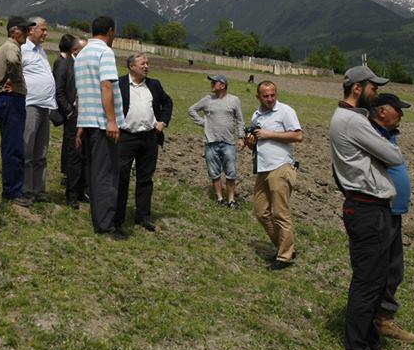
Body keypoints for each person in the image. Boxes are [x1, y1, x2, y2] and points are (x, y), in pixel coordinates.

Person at [330, 65, 406, 350]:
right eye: (374, 88)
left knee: (375, 283)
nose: (376, 95)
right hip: (366, 211)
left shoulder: (350, 119)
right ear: (358, 88)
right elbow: (394, 156)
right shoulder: (352, 121)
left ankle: (370, 346)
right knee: (367, 285)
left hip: (369, 210)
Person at [368, 93, 414, 343]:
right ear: (382, 111)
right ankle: (377, 320)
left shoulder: (388, 135)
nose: (402, 114)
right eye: (398, 109)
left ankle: (384, 317)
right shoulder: (371, 136)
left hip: (393, 211)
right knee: (382, 269)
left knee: (394, 268)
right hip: (381, 210)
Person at [74, 16, 126, 240]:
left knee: (94, 172)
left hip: (87, 120)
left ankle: (99, 218)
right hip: (102, 123)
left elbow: (81, 91)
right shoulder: (105, 52)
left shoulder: (82, 53)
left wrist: (80, 123)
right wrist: (112, 120)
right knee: (107, 174)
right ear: (111, 31)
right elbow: (106, 86)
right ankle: (106, 225)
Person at [244, 81, 303, 270]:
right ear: (258, 97)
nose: (270, 99)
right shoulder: (256, 115)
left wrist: (269, 134)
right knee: (261, 211)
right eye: (265, 96)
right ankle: (284, 247)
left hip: (281, 167)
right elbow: (256, 144)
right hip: (263, 168)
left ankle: (285, 257)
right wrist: (251, 141)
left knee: (280, 213)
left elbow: (297, 136)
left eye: (272, 95)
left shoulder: (285, 111)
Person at [117, 53, 173, 232]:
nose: (147, 66)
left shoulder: (154, 85)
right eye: (143, 63)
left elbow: (168, 103)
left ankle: (143, 215)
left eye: (148, 63)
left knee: (145, 178)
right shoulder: (120, 84)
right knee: (121, 177)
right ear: (132, 66)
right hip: (126, 137)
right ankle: (118, 216)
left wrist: (162, 121)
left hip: (149, 137)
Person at [0, 16, 35, 207]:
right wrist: (15, 81)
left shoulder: (3, 47)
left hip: (6, 100)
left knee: (12, 145)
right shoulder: (11, 48)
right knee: (13, 147)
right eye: (23, 30)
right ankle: (12, 191)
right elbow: (13, 61)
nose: (26, 34)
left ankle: (14, 188)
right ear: (13, 31)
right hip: (11, 100)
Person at [187, 74, 246, 207]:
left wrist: (241, 138)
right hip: (211, 142)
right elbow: (192, 110)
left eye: (214, 83)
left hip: (229, 143)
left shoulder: (234, 100)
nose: (211, 85)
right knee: (214, 173)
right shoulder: (207, 100)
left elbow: (240, 120)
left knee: (231, 173)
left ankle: (231, 200)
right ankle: (220, 199)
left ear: (223, 85)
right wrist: (203, 123)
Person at [21, 16, 57, 202]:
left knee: (41, 151)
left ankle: (39, 190)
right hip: (30, 105)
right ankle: (26, 189)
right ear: (31, 30)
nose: (45, 33)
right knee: (28, 149)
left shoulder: (41, 51)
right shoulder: (23, 50)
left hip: (45, 106)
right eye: (42, 29)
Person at [54, 34, 87, 208]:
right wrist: (68, 111)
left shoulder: (83, 66)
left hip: (86, 114)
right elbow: (58, 90)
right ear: (76, 50)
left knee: (84, 153)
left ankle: (82, 189)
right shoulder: (65, 64)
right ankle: (72, 193)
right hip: (74, 115)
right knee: (74, 152)